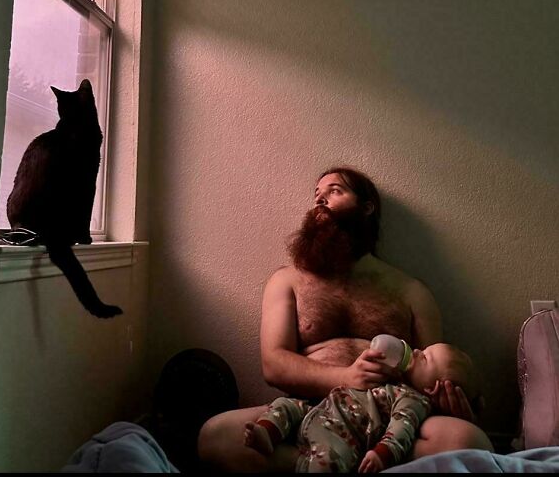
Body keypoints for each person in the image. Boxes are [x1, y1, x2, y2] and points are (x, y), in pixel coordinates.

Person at [198, 167, 493, 471]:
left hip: (390, 417)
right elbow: (274, 365)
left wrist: (450, 402)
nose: (320, 200)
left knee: (470, 440)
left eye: (335, 191)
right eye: (317, 194)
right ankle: (334, 463)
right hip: (309, 412)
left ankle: (330, 465)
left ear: (367, 208)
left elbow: (432, 371)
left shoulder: (412, 292)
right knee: (216, 435)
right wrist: (346, 377)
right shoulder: (287, 281)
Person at [244, 341, 481, 473]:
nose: (417, 350)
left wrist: (382, 454)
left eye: (425, 357)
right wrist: (345, 376)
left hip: (344, 432)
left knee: (330, 460)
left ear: (432, 388)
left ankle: (315, 461)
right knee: (283, 406)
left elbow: (401, 428)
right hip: (320, 406)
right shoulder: (397, 384)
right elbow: (273, 366)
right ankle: (267, 432)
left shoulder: (412, 400)